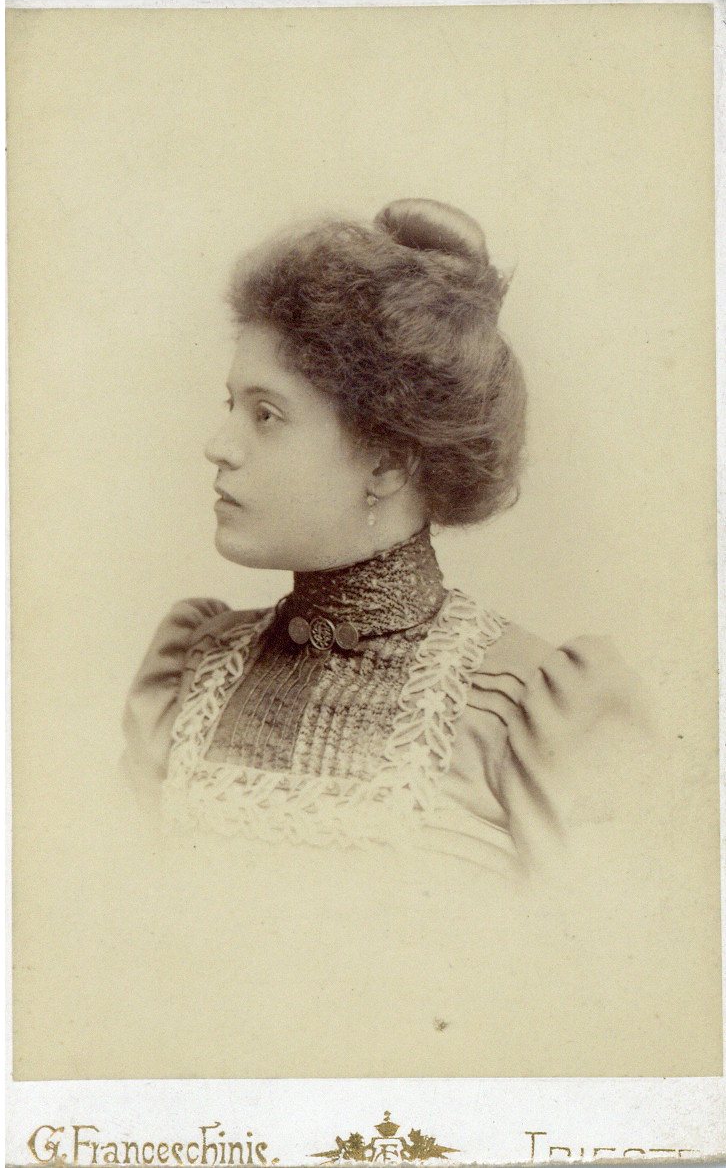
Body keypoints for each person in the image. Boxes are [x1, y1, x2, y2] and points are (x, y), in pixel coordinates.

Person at [121, 197, 656, 890]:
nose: (219, 446)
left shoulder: (537, 713)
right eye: (232, 406)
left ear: (386, 463)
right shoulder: (189, 671)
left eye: (266, 414)